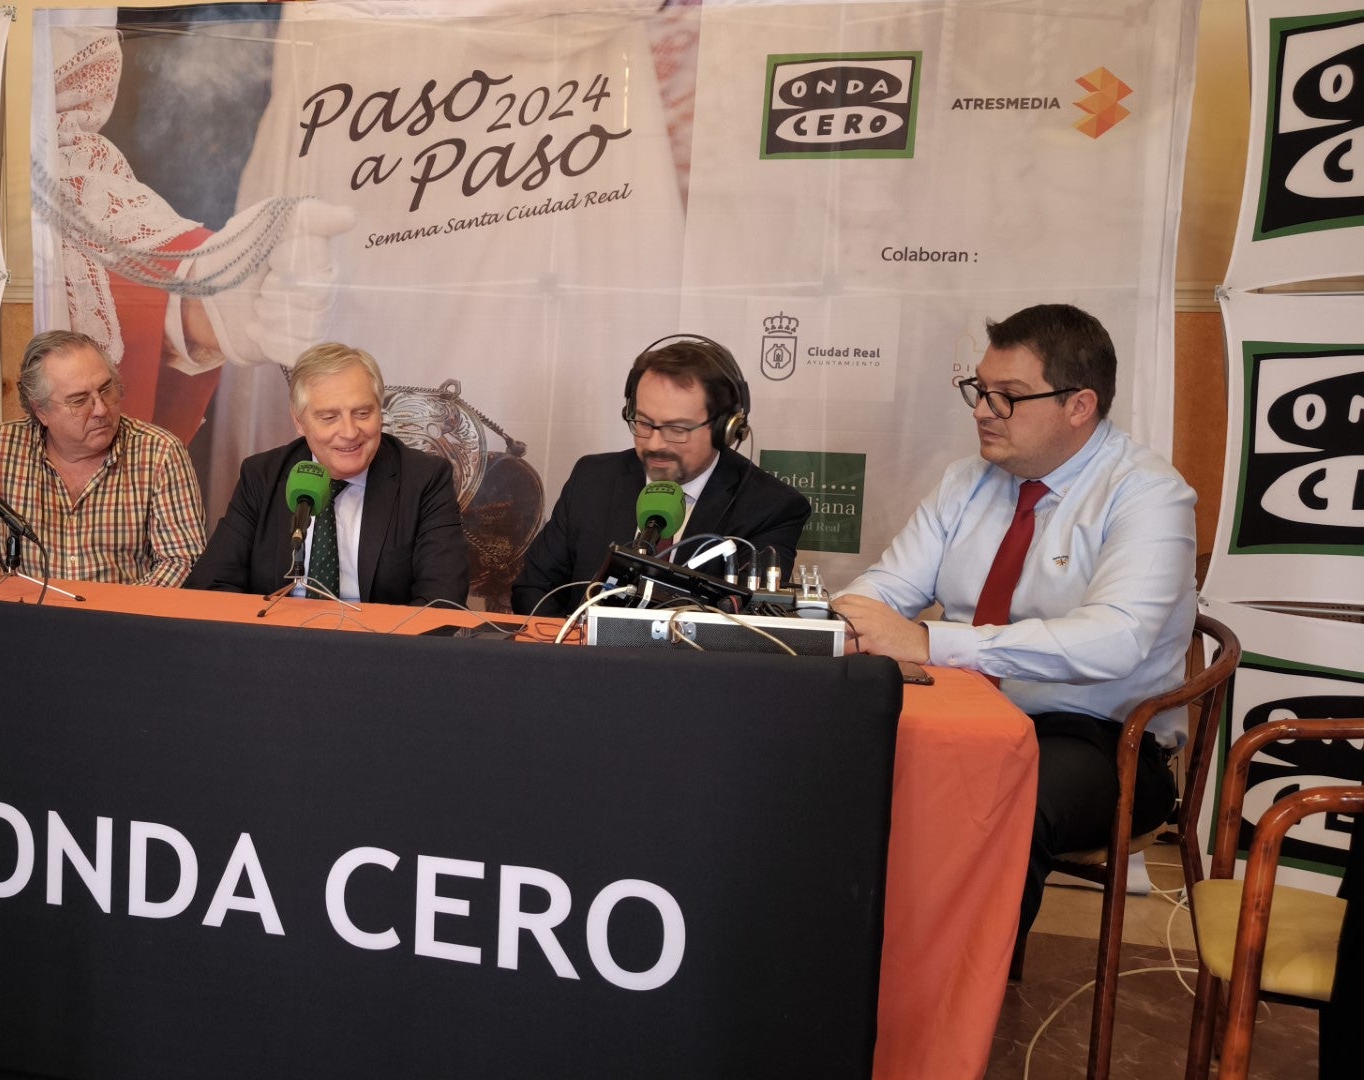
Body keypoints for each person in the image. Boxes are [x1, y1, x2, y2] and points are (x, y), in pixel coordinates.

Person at [831, 303, 1197, 943]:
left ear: (1080, 405)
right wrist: (849, 620)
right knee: (822, 761)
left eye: (1008, 397)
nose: (981, 410)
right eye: (979, 389)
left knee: (1003, 804)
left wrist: (928, 641)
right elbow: (891, 586)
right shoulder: (965, 481)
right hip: (959, 712)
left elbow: (1115, 639)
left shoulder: (1148, 495)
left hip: (1100, 739)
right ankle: (838, 967)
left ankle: (952, 1009)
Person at [512, 335, 811, 616]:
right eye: (643, 423)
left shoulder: (771, 508)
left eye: (677, 429)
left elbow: (747, 623)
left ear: (726, 428)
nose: (655, 444)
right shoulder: (592, 479)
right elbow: (534, 590)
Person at [186, 343, 468, 605]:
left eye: (362, 413)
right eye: (329, 417)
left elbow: (442, 601)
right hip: (277, 645)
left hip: (379, 648)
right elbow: (210, 586)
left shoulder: (424, 480)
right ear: (299, 421)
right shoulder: (262, 476)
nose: (348, 432)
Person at [0, 331, 206, 590]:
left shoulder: (159, 452)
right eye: (79, 401)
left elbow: (183, 561)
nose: (101, 409)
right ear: (41, 410)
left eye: (106, 389)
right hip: (25, 621)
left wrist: (112, 613)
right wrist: (20, 599)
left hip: (123, 626)